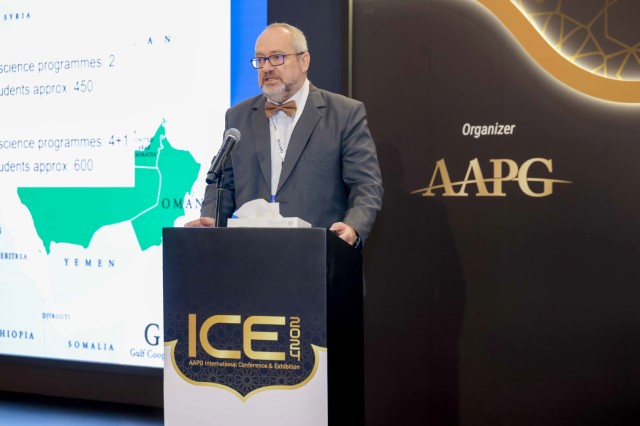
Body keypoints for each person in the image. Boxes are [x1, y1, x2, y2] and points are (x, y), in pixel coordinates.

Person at [186, 23, 383, 247]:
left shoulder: (344, 113)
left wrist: (354, 227)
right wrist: (211, 219)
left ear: (304, 61)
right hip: (250, 253)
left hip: (318, 253)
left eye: (277, 57)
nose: (267, 67)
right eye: (260, 60)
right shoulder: (237, 117)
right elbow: (223, 184)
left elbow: (366, 184)